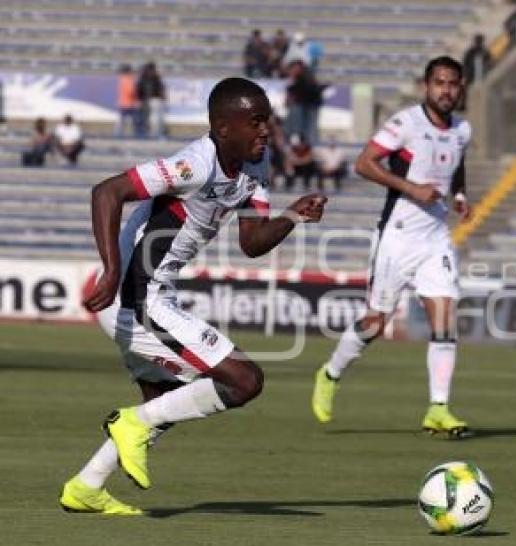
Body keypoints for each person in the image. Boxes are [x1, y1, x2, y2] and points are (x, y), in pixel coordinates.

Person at [58, 77, 327, 515]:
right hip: (135, 299)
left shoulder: (254, 167)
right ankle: (128, 426)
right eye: (256, 122)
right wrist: (110, 270)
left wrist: (293, 215)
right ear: (223, 128)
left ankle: (86, 487)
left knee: (163, 401)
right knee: (244, 380)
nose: (265, 130)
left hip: (152, 297)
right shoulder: (194, 165)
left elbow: (253, 242)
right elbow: (107, 192)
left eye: (268, 121)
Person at [311, 56, 474, 438]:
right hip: (398, 236)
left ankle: (438, 408)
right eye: (439, 83)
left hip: (435, 236)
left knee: (445, 317)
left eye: (452, 84)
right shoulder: (406, 123)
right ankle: (331, 372)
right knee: (374, 323)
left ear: (461, 87)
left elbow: (457, 163)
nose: (446, 90)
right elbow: (364, 163)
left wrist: (462, 193)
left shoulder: (462, 129)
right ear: (426, 86)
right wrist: (412, 188)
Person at [137, 62, 167, 138]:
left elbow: (140, 89)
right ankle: (153, 134)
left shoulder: (145, 77)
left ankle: (152, 134)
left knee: (152, 119)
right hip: (152, 100)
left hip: (150, 100)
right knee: (153, 119)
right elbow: (141, 89)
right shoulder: (154, 77)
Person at [114, 64, 138, 138]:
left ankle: (118, 135)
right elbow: (131, 91)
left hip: (123, 103)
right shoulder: (128, 79)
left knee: (122, 121)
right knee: (133, 121)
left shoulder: (122, 79)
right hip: (129, 103)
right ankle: (136, 135)